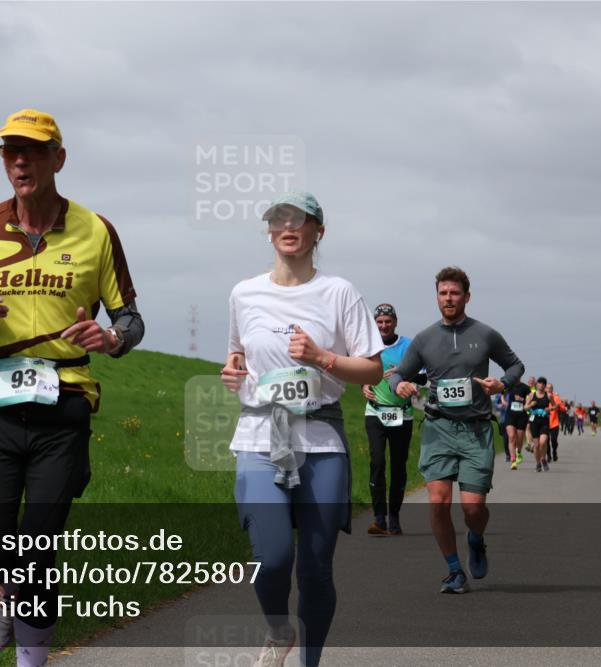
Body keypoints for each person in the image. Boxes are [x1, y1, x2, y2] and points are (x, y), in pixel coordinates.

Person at [0, 108, 144, 664]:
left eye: (32, 150)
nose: (20, 160)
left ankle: (31, 658)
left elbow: (131, 320)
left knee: (38, 547)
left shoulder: (96, 231)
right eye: (10, 150)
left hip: (64, 408)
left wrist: (111, 339)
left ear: (59, 158)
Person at [220, 192, 383, 667]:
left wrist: (322, 358)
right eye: (278, 219)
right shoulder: (244, 292)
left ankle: (310, 661)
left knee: (315, 567)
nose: (288, 227)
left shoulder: (340, 293)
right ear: (269, 231)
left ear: (319, 231)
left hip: (321, 440)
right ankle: (277, 629)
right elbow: (238, 356)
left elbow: (372, 371)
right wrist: (232, 373)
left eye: (300, 220)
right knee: (271, 558)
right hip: (258, 436)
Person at [390, 267, 524, 594]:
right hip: (438, 427)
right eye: (443, 293)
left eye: (454, 293)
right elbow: (396, 374)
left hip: (476, 430)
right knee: (437, 502)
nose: (448, 299)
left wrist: (501, 384)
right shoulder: (423, 339)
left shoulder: (486, 334)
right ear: (436, 296)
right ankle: (454, 570)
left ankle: (475, 539)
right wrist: (401, 385)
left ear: (467, 296)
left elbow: (515, 365)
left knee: (473, 508)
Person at [363, 304, 424, 536]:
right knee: (377, 462)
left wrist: (403, 371)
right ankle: (379, 518)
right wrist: (363, 385)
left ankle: (394, 516)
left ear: (395, 322)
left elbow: (425, 375)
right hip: (375, 412)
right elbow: (359, 371)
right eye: (379, 322)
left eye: (388, 321)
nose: (383, 326)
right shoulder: (367, 344)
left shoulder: (408, 346)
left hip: (401, 414)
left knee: (398, 465)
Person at [525, 378, 555, 472]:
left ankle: (543, 459)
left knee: (543, 442)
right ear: (536, 385)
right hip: (534, 421)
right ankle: (538, 463)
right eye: (539, 383)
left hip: (544, 421)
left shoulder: (549, 395)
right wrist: (531, 405)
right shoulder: (531, 395)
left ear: (545, 386)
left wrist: (549, 409)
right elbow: (525, 407)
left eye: (543, 384)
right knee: (537, 445)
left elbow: (554, 406)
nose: (541, 385)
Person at [505, 378, 531, 470]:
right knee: (511, 437)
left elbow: (531, 398)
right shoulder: (509, 385)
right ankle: (513, 460)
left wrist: (522, 399)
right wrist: (504, 401)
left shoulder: (525, 388)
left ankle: (518, 452)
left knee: (519, 439)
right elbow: (501, 393)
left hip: (521, 416)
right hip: (510, 415)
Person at [546, 383, 566, 462]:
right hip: (545, 423)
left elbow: (563, 408)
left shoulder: (556, 397)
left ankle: (554, 451)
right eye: (547, 388)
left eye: (550, 388)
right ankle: (548, 455)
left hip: (554, 423)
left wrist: (558, 406)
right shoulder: (542, 397)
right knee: (545, 441)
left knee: (553, 440)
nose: (548, 389)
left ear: (552, 389)